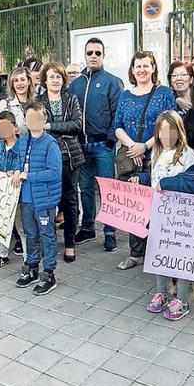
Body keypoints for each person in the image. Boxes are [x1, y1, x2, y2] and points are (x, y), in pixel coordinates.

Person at [113, 52, 177, 270]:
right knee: (134, 207)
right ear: (132, 70)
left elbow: (170, 124)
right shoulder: (125, 95)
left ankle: (159, 251)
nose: (141, 70)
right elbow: (117, 126)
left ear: (153, 68)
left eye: (146, 66)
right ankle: (136, 253)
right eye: (137, 66)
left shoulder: (163, 93)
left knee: (158, 206)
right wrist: (132, 146)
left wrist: (146, 146)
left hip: (157, 155)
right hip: (131, 157)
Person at [137, 111, 194, 320]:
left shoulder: (187, 154)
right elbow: (157, 179)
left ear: (179, 131)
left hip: (180, 218)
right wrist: (142, 179)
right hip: (159, 215)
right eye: (162, 130)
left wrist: (166, 184)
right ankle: (161, 292)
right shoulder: (156, 154)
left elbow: (193, 184)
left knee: (181, 258)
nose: (166, 134)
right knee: (158, 253)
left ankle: (181, 299)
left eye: (170, 129)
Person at [69, 37, 125, 252]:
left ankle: (109, 232)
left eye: (97, 53)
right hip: (82, 145)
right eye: (90, 52)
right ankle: (88, 227)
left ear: (103, 55)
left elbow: (117, 114)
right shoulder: (76, 84)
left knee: (107, 190)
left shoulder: (112, 81)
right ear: (84, 55)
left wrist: (111, 140)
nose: (93, 56)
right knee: (85, 189)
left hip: (103, 145)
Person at [13, 101, 62, 295]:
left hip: (44, 199)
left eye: (38, 118)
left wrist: (28, 176)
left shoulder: (50, 144)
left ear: (44, 120)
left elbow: (54, 172)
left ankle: (49, 273)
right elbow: (19, 162)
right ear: (25, 120)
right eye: (30, 118)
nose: (33, 121)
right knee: (30, 233)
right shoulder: (23, 140)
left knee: (47, 235)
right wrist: (17, 171)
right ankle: (31, 267)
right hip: (26, 198)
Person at [37, 62, 84, 262]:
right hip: (46, 156)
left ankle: (70, 244)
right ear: (44, 81)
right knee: (47, 201)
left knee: (70, 200)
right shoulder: (38, 101)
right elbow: (36, 125)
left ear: (63, 79)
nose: (55, 80)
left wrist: (50, 125)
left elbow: (77, 124)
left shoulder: (71, 98)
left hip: (69, 155)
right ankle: (48, 243)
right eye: (51, 77)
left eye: (58, 76)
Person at [0, 111, 24, 268]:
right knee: (1, 224)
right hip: (1, 195)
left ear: (15, 127)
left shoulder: (23, 146)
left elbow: (25, 165)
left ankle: (29, 259)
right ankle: (2, 255)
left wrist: (16, 171)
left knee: (22, 226)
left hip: (19, 194)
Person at [0, 66, 31, 149]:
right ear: (12, 84)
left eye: (22, 79)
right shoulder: (5, 104)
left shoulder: (37, 104)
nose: (19, 83)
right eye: (16, 80)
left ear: (29, 81)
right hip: (12, 152)